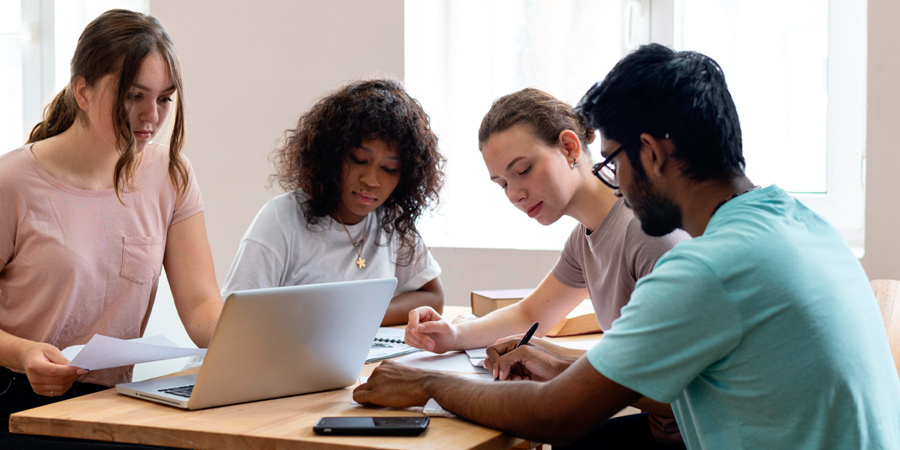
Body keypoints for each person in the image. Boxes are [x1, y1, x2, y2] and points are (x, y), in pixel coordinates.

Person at [353, 44, 900, 449]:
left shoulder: (706, 267)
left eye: (613, 160)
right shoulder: (803, 223)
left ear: (654, 154)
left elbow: (553, 416)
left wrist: (426, 382)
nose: (614, 180)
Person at [403, 87, 689, 448]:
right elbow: (533, 313)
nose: (514, 194)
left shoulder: (646, 231)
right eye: (502, 184)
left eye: (523, 170)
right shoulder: (584, 237)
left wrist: (557, 364)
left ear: (569, 148)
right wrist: (453, 336)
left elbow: (684, 389)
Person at [0, 9, 222, 448]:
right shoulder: (13, 182)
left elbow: (199, 306)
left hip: (110, 406)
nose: (151, 117)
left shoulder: (170, 174)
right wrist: (22, 352)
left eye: (164, 99)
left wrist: (259, 346)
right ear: (82, 90)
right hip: (16, 401)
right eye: (134, 96)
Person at [220, 79, 445, 326]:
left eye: (389, 169)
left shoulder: (391, 219)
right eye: (359, 160)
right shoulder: (282, 218)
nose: (371, 180)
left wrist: (356, 317)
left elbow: (433, 297)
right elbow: (235, 318)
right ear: (331, 155)